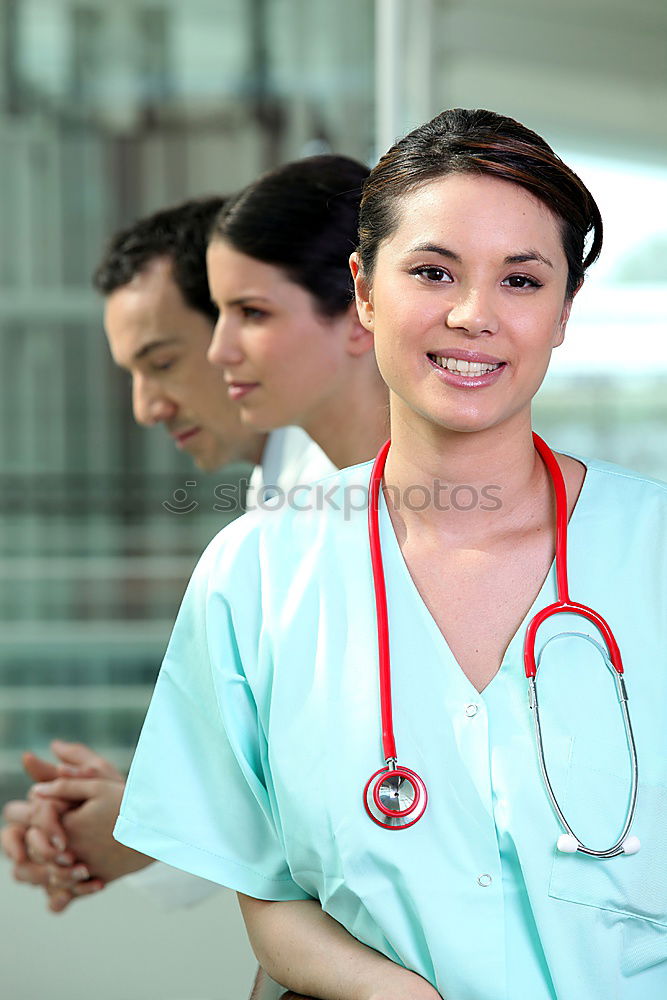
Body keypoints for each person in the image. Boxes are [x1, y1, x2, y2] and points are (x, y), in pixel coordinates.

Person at [107, 109, 667, 999]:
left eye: (521, 281)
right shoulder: (255, 574)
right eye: (433, 271)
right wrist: (383, 991)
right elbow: (265, 886)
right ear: (365, 293)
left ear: (564, 311)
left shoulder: (652, 555)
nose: (473, 314)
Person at [1, 197, 332, 1000]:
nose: (148, 407)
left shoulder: (337, 495)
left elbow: (345, 796)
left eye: (161, 361)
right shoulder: (282, 494)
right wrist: (141, 808)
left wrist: (140, 819)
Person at [205, 155, 388, 468]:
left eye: (252, 313)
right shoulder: (289, 489)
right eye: (220, 311)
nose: (219, 352)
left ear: (360, 315)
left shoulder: (467, 497)